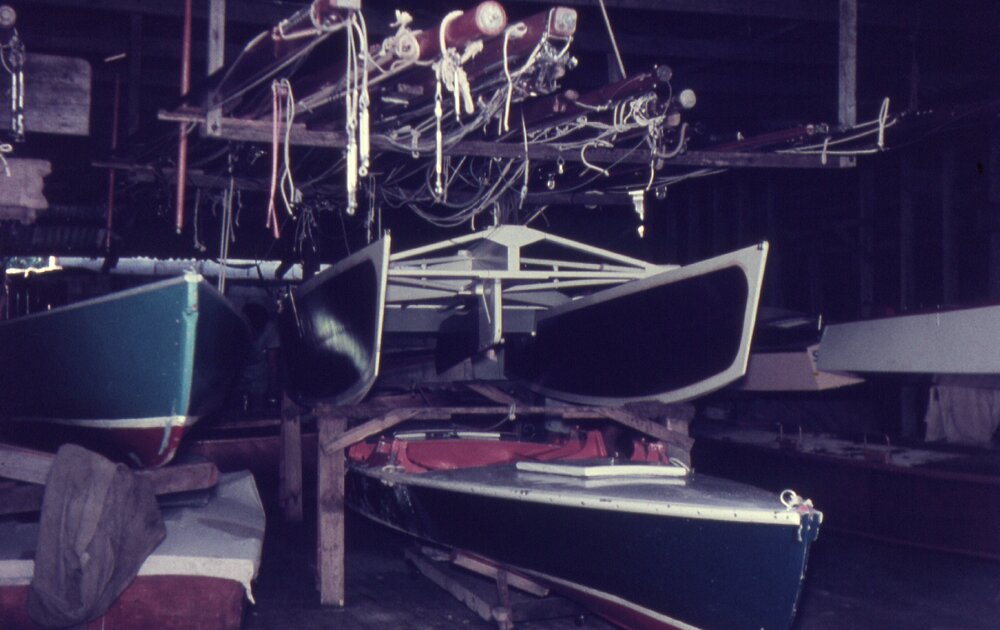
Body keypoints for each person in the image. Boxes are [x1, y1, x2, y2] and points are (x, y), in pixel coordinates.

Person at [238, 302, 282, 413]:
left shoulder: (270, 329)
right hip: (238, 371)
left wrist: (272, 391)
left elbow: (273, 364)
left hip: (259, 374)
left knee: (258, 411)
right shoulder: (236, 325)